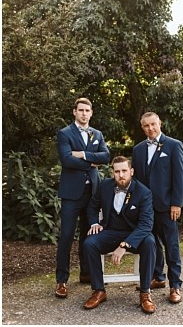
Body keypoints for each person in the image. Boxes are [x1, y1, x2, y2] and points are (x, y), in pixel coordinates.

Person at [82, 156, 158, 313]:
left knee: (150, 242)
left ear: (131, 171)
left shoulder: (144, 192)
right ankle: (99, 290)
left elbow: (146, 225)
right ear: (112, 173)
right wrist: (94, 223)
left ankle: (145, 293)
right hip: (110, 231)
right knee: (89, 243)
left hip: (135, 233)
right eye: (117, 171)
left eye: (124, 171)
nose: (121, 175)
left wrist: (124, 245)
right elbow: (92, 207)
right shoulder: (104, 186)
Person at [55, 97, 110, 298]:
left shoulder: (97, 134)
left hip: (93, 193)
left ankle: (86, 273)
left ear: (91, 113)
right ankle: (61, 280)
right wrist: (91, 162)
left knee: (91, 235)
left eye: (87, 110)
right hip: (71, 194)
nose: (84, 113)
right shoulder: (64, 133)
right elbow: (66, 159)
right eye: (81, 110)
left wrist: (83, 155)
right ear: (74, 112)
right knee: (67, 237)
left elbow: (106, 157)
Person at [132, 112, 183, 304]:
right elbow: (136, 180)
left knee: (171, 245)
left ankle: (175, 285)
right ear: (142, 128)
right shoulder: (138, 149)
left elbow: (179, 177)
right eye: (146, 126)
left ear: (160, 123)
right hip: (146, 208)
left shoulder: (173, 145)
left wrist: (176, 203)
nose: (150, 128)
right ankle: (158, 277)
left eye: (153, 124)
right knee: (151, 243)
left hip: (166, 206)